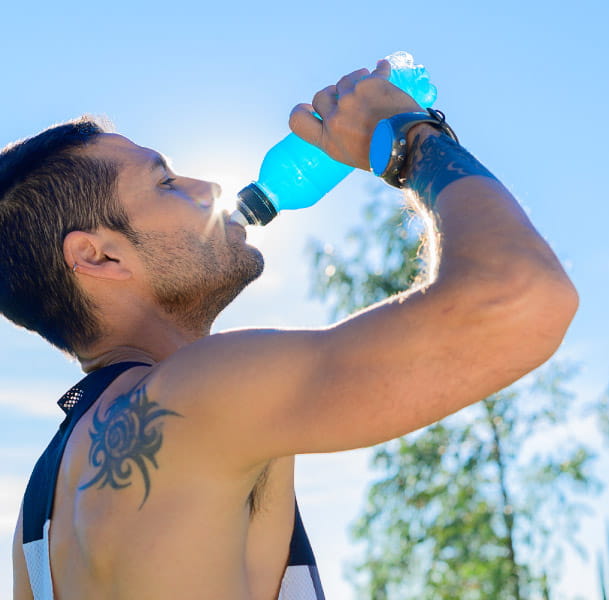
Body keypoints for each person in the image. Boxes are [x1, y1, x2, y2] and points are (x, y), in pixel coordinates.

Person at [5, 59, 578, 600]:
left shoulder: (36, 526)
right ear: (98, 257)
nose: (208, 189)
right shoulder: (201, 394)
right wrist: (407, 138)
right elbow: (522, 299)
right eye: (166, 183)